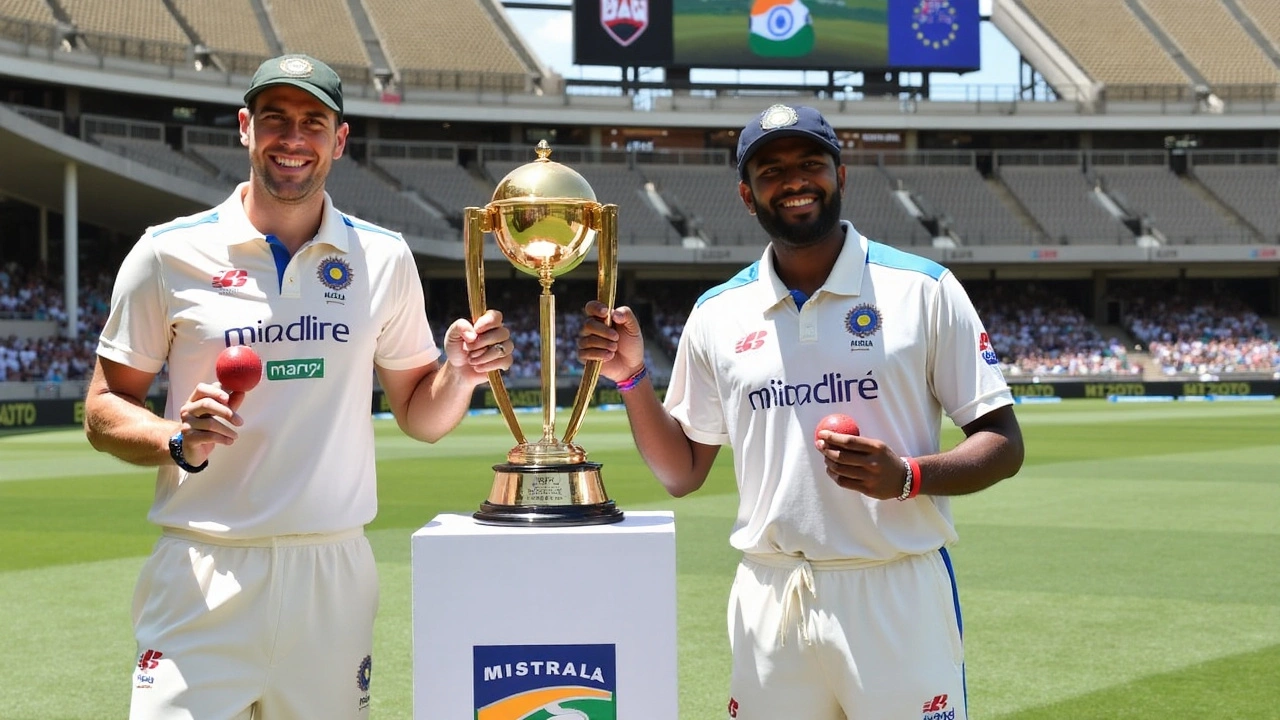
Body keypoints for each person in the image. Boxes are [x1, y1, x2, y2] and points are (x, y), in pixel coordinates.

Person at [83, 54, 514, 719]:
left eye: (313, 121)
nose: (293, 138)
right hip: (202, 567)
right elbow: (103, 407)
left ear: (338, 141)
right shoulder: (166, 253)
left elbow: (420, 416)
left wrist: (458, 373)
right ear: (244, 129)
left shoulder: (382, 257)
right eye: (274, 119)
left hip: (331, 573)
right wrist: (176, 438)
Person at [577, 104, 1024, 720]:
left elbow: (1002, 442)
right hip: (770, 595)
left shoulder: (923, 289)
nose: (794, 181)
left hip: (895, 589)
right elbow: (682, 472)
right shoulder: (717, 312)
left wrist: (908, 477)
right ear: (746, 193)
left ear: (841, 175)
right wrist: (630, 377)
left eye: (811, 163)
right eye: (771, 170)